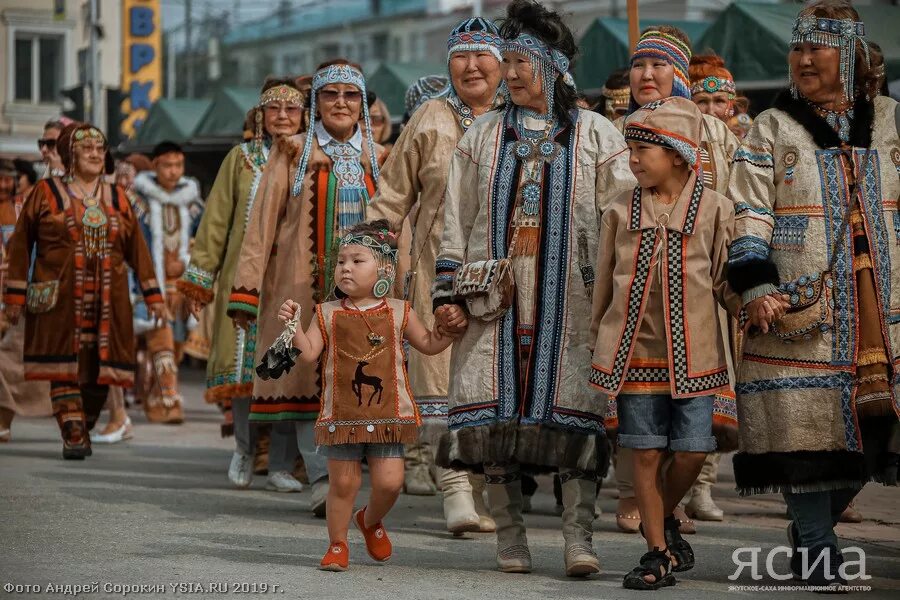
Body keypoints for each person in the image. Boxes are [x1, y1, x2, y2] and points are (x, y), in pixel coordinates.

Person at [432, 0, 634, 576]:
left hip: (572, 303)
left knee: (577, 414)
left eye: (521, 61)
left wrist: (616, 296)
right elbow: (456, 218)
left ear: (553, 65)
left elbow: (621, 223)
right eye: (508, 61)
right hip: (494, 300)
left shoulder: (598, 135)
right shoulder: (484, 134)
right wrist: (447, 295)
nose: (510, 72)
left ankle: (578, 538)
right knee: (494, 422)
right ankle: (511, 539)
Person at [726, 1, 899, 589]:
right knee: (800, 433)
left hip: (885, 303)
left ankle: (810, 535)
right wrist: (757, 284)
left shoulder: (892, 120)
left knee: (875, 433)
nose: (802, 59)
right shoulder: (771, 127)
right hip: (804, 304)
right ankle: (818, 547)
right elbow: (749, 211)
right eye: (797, 50)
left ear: (849, 58)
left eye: (816, 49)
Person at [590, 97, 740, 590]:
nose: (632, 159)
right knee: (646, 455)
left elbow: (724, 281)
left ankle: (666, 518)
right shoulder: (618, 211)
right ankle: (656, 552)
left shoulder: (716, 210)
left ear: (677, 153)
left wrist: (753, 300)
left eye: (642, 150)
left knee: (693, 452)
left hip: (697, 355)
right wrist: (599, 344)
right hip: (634, 354)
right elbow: (605, 291)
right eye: (630, 149)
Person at [366, 16, 504, 534]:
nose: (472, 66)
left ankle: (484, 488)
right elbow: (392, 197)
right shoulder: (430, 117)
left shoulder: (522, 120)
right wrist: (370, 254)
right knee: (439, 380)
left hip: (507, 275)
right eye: (461, 56)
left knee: (493, 380)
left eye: (482, 55)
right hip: (434, 272)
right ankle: (454, 491)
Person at [227, 61, 386, 511]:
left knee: (357, 380)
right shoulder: (292, 150)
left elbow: (400, 227)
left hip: (365, 292)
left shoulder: (380, 157)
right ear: (316, 103)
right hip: (300, 284)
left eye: (350, 95)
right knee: (303, 378)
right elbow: (261, 223)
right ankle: (321, 479)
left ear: (362, 104)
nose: (340, 103)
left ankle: (345, 478)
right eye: (330, 94)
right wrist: (247, 290)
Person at [609, 26, 742, 536]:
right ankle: (632, 495)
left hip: (700, 287)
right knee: (639, 411)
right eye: (639, 64)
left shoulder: (716, 135)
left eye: (659, 65)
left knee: (696, 409)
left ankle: (686, 490)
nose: (647, 74)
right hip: (637, 290)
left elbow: (734, 200)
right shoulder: (613, 128)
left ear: (680, 75)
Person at [274, 221, 456, 571]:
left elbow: (431, 344)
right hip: (342, 417)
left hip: (388, 417)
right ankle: (337, 544)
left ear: (384, 269)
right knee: (343, 483)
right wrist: (294, 327)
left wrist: (448, 330)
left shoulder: (401, 311)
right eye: (342, 261)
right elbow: (310, 352)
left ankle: (370, 520)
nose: (346, 267)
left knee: (390, 483)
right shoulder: (326, 313)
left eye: (357, 261)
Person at [2, 122, 164, 459]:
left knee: (97, 375)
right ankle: (72, 429)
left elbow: (138, 249)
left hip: (109, 300)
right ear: (69, 154)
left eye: (99, 148)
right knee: (63, 367)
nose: (94, 153)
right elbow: (20, 247)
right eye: (86, 148)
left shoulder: (119, 198)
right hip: (59, 301)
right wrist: (14, 297)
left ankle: (84, 422)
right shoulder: (45, 193)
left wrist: (153, 295)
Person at [178, 78, 308, 493]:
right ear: (260, 115)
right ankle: (244, 451)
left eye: (292, 109)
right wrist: (200, 278)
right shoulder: (241, 159)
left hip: (293, 280)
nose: (283, 117)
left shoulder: (313, 157)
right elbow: (216, 221)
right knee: (242, 369)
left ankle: (283, 464)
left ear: (305, 115)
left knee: (286, 369)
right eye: (275, 109)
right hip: (244, 278)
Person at [131, 141, 204, 425]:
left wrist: (186, 263)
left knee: (175, 347)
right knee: (159, 342)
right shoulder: (137, 200)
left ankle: (154, 396)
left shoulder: (192, 201)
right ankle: (169, 403)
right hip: (150, 285)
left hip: (181, 286)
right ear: (155, 166)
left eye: (178, 165)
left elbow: (206, 239)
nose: (173, 172)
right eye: (167, 165)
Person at [0, 159, 52, 442]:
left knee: (12, 359)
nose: (4, 185)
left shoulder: (25, 206)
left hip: (18, 293)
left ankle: (3, 419)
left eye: (8, 179)